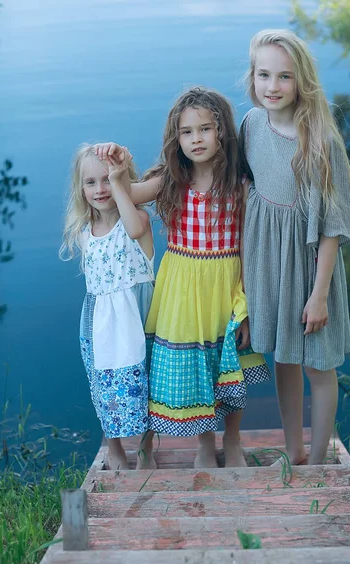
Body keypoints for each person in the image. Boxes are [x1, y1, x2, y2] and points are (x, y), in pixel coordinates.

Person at [96, 87, 270, 469]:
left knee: (230, 369)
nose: (196, 139)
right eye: (187, 132)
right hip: (181, 291)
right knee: (198, 370)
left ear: (222, 131)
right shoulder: (172, 180)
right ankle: (205, 446)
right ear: (177, 139)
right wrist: (118, 172)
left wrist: (249, 304)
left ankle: (234, 440)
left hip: (226, 286)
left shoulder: (239, 183)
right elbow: (132, 194)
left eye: (205, 129)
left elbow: (245, 247)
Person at [240, 29, 350, 465]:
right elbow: (242, 185)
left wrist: (320, 294)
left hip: (310, 269)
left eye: (284, 77)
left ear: (302, 80)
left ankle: (321, 458)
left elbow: (333, 225)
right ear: (253, 76)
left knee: (317, 365)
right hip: (268, 262)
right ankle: (293, 452)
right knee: (284, 361)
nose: (273, 87)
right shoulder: (251, 124)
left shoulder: (321, 142)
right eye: (264, 74)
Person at [59, 144, 154, 470]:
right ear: (80, 188)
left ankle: (145, 450)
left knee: (146, 383)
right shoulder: (85, 232)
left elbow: (134, 229)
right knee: (102, 384)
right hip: (99, 322)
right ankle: (114, 448)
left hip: (137, 316)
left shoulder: (137, 219)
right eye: (91, 182)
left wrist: (119, 179)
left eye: (108, 180)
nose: (100, 189)